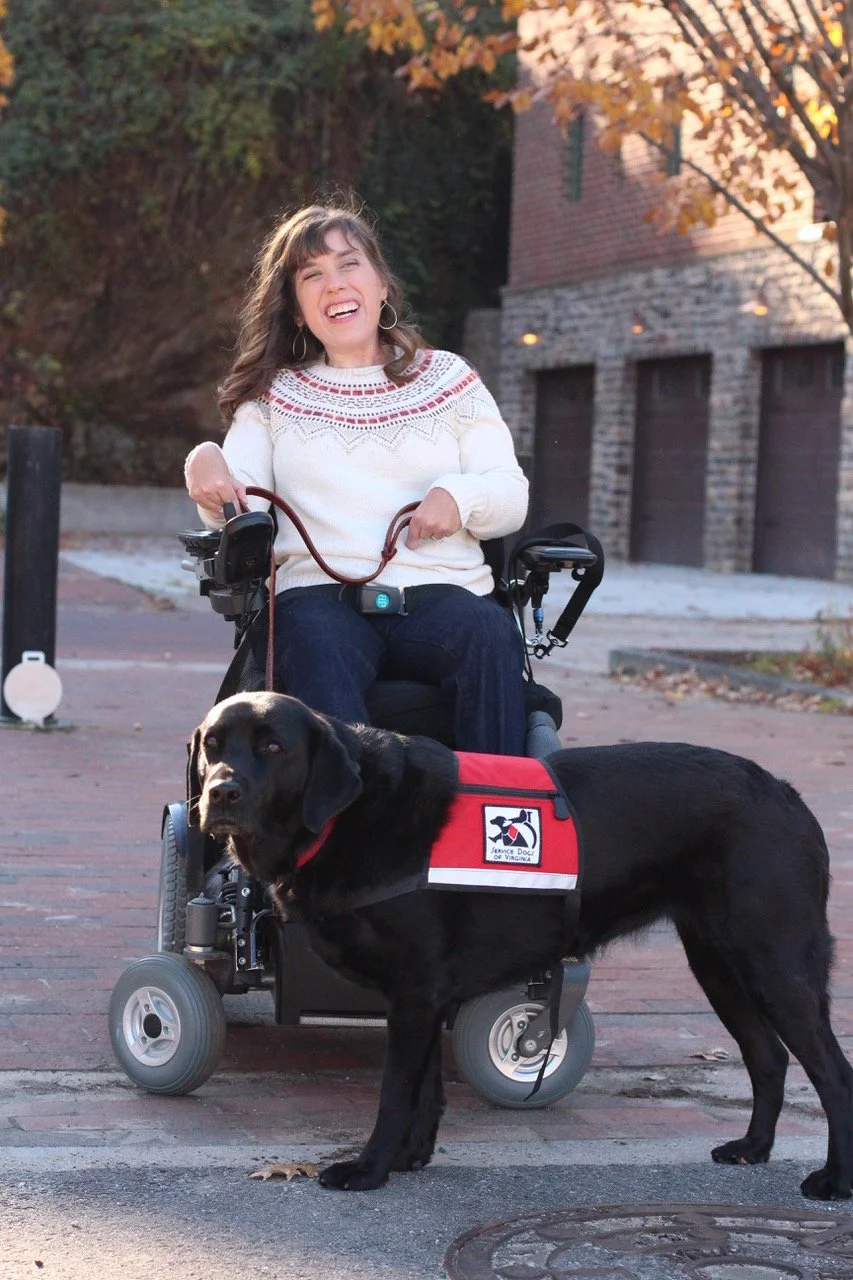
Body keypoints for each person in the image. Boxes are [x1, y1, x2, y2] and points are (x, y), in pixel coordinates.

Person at [184, 201, 530, 754]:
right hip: (319, 598)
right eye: (312, 275)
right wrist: (205, 462)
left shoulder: (449, 379)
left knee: (487, 635)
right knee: (315, 643)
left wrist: (458, 497)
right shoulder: (272, 397)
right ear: (297, 310)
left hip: (442, 593)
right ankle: (349, 826)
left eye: (349, 265)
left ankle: (496, 820)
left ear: (382, 284)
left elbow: (510, 495)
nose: (334, 285)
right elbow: (238, 502)